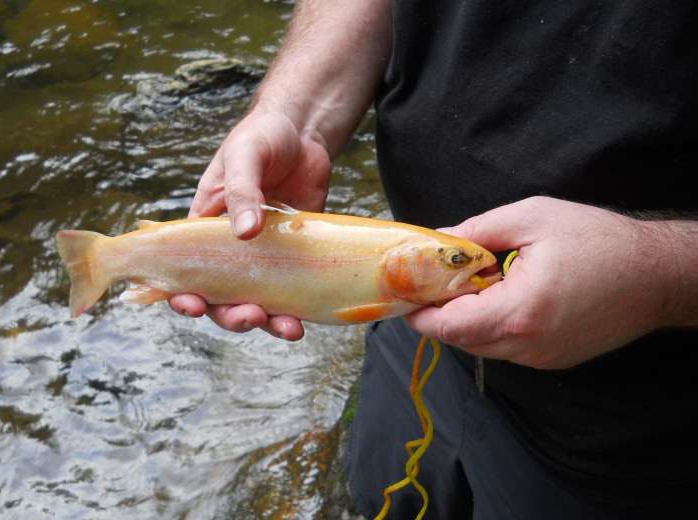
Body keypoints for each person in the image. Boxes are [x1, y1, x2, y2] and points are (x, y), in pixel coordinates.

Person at [169, 0, 698, 518]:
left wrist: (659, 274)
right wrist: (296, 112)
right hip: (411, 339)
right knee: (371, 496)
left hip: (631, 440)